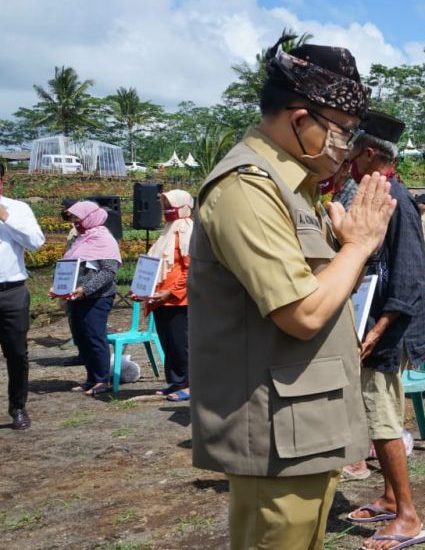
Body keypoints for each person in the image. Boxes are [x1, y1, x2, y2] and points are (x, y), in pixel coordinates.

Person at [188, 37, 396, 550]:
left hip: (304, 425)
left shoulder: (295, 185)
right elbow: (302, 313)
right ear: (300, 118)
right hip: (274, 431)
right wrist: (359, 246)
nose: (348, 145)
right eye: (343, 131)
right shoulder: (247, 187)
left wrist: (348, 246)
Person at [342, 111, 425, 550]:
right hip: (370, 327)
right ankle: (391, 496)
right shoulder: (375, 198)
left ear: (372, 154)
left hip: (384, 333)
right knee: (379, 415)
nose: (348, 161)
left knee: (382, 421)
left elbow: (411, 278)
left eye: (354, 154)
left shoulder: (398, 202)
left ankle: (409, 517)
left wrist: (377, 330)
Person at [54, 201, 122, 396]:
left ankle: (102, 380)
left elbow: (109, 271)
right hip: (75, 297)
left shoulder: (104, 239)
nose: (75, 222)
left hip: (98, 297)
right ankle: (91, 378)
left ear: (90, 217)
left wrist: (86, 288)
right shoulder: (81, 239)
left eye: (78, 218)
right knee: (81, 337)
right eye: (73, 218)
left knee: (94, 336)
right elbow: (68, 266)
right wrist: (58, 287)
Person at [0, 162, 45, 429]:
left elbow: (36, 242)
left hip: (11, 292)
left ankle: (18, 407)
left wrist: (7, 218)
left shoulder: (17, 209)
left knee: (17, 354)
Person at [137, 190, 194, 401]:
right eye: (164, 205)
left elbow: (191, 269)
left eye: (171, 204)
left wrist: (170, 291)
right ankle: (176, 382)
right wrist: (142, 290)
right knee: (168, 344)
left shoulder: (188, 232)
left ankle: (190, 385)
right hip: (160, 299)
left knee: (182, 344)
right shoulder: (167, 232)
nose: (167, 209)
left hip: (179, 299)